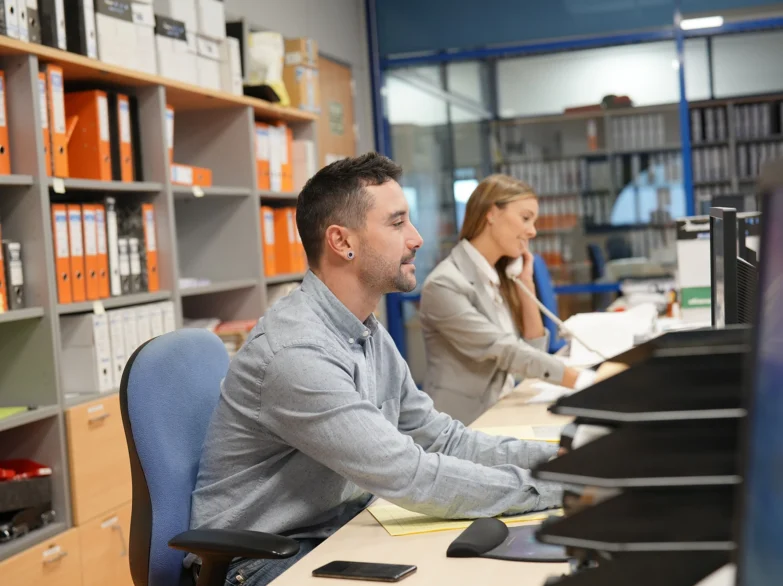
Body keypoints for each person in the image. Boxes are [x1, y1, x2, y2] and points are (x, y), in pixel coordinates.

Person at [190, 154, 563, 586]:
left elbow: (441, 438)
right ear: (342, 242)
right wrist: (557, 491)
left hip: (337, 528)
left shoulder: (365, 330)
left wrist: (557, 460)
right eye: (397, 223)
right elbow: (409, 473)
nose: (417, 238)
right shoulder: (296, 352)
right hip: (262, 560)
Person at [419, 174, 586, 425]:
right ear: (492, 214)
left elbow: (532, 353)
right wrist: (581, 380)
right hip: (462, 425)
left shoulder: (497, 278)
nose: (532, 231)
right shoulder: (445, 284)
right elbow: (504, 349)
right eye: (525, 218)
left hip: (502, 410)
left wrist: (525, 282)